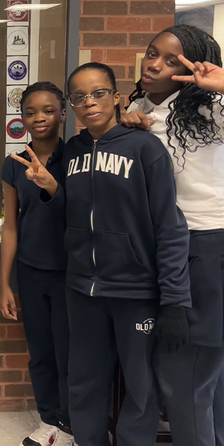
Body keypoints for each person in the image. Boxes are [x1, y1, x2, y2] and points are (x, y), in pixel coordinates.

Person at [13, 62, 191, 446]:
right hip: (82, 290)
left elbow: (169, 225)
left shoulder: (144, 147)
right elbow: (72, 214)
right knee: (83, 383)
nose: (88, 102)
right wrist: (51, 188)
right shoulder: (73, 151)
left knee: (140, 388)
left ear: (116, 97)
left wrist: (175, 298)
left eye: (97, 93)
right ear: (71, 106)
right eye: (79, 96)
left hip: (135, 290)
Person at [122, 25, 224, 446]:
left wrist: (221, 88)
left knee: (185, 380)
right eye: (151, 53)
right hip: (172, 248)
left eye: (170, 60)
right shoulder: (142, 108)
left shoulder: (208, 110)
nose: (154, 63)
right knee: (203, 384)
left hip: (206, 247)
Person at [0, 82, 73, 446]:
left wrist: (52, 185)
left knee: (69, 351)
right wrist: (4, 283)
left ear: (62, 112)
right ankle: (49, 423)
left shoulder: (77, 156)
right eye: (30, 112)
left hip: (72, 272)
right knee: (41, 352)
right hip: (31, 270)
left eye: (47, 110)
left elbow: (84, 211)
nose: (39, 117)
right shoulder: (14, 163)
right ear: (22, 118)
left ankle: (72, 424)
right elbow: (10, 224)